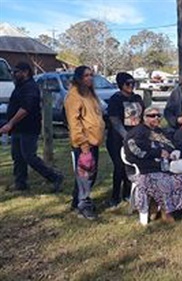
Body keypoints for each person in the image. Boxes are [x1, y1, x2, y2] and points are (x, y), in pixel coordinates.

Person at [0, 62, 63, 191]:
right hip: (18, 128)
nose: (13, 74)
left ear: (25, 72)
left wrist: (10, 123)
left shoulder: (30, 87)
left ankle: (54, 177)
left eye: (16, 72)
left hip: (28, 128)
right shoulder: (20, 86)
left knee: (29, 156)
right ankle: (20, 183)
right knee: (17, 157)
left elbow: (25, 109)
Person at [124, 106, 182, 223]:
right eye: (152, 115)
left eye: (158, 115)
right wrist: (158, 153)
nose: (156, 118)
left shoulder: (161, 132)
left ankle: (171, 208)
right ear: (144, 118)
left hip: (165, 167)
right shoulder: (137, 132)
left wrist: (173, 153)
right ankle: (166, 211)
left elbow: (171, 146)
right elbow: (134, 153)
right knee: (163, 181)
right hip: (145, 169)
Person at [64, 65, 105, 220]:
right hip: (84, 144)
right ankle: (84, 205)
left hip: (94, 141)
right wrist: (83, 144)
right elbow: (74, 123)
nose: (90, 78)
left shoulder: (89, 93)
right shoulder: (74, 96)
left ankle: (77, 201)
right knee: (85, 176)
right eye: (86, 75)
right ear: (79, 78)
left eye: (91, 75)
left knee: (90, 175)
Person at [106, 72, 144, 208]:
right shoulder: (115, 99)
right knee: (119, 166)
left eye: (133, 83)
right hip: (117, 139)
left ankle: (127, 192)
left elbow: (143, 116)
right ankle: (115, 196)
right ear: (121, 85)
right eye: (128, 83)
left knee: (132, 165)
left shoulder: (137, 98)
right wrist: (126, 136)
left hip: (136, 137)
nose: (131, 86)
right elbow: (115, 121)